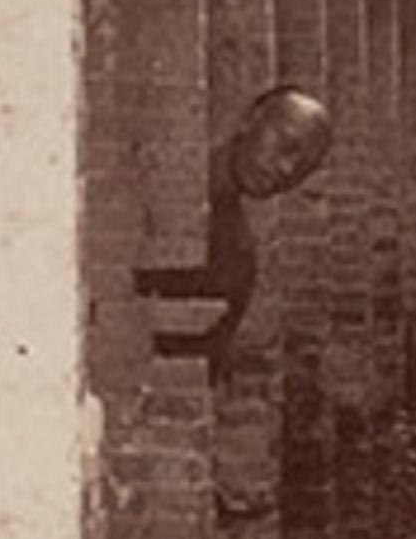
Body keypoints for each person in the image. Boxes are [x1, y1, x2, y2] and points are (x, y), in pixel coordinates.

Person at [136, 84, 335, 374]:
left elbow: (188, 373)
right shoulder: (149, 176)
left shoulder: (235, 257)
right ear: (249, 120)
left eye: (303, 167)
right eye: (286, 145)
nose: (287, 170)